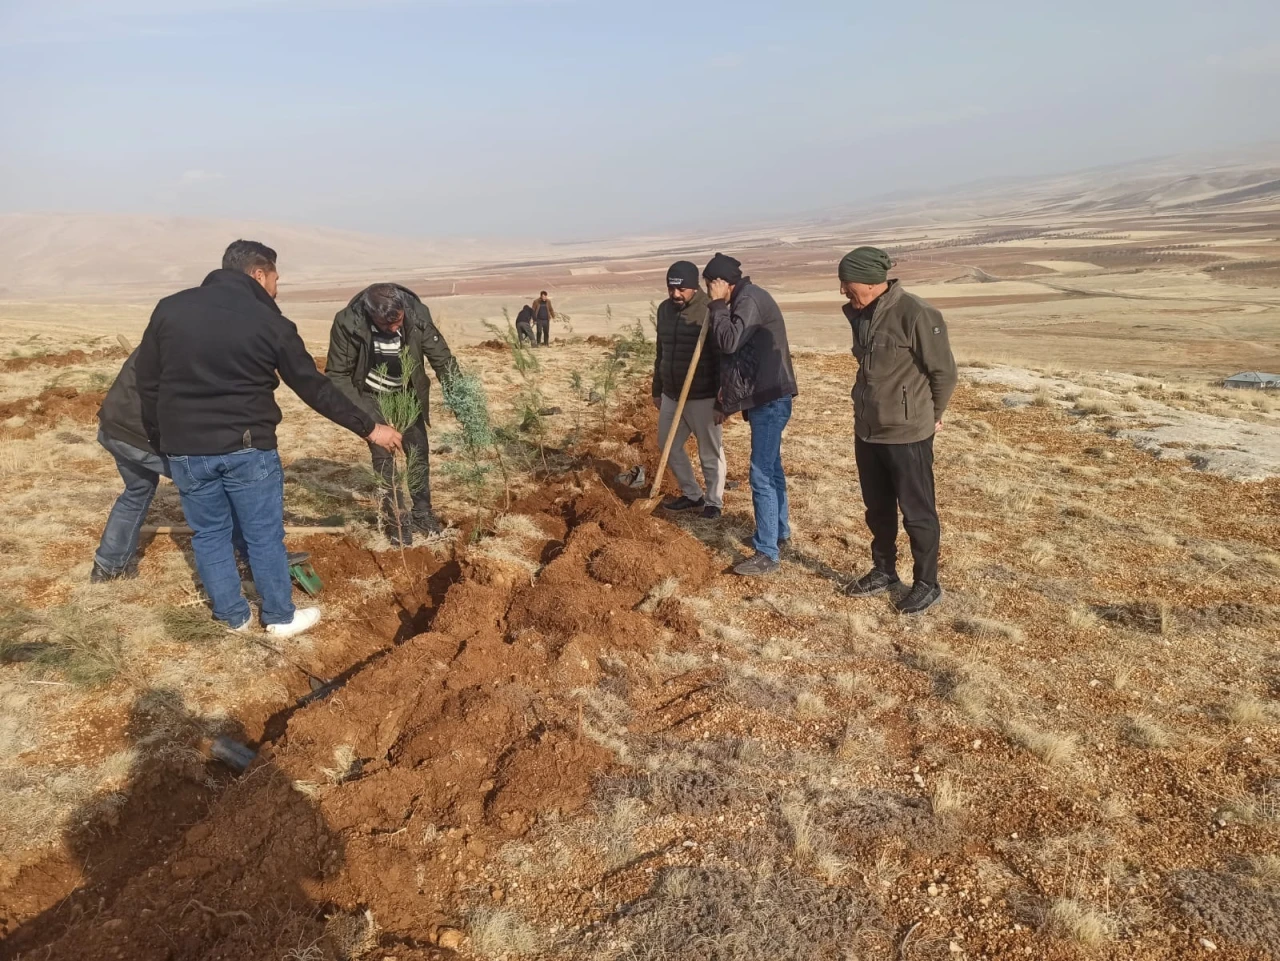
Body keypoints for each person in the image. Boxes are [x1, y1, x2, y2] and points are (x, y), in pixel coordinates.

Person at [135, 240, 402, 638]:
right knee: (263, 535)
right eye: (276, 279)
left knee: (209, 534)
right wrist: (369, 427)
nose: (277, 289)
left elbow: (148, 382)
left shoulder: (169, 309)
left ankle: (233, 618)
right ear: (259, 274)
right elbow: (312, 386)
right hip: (247, 447)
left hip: (186, 449)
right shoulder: (269, 322)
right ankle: (279, 617)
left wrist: (165, 440)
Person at [838, 246, 957, 615]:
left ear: (872, 282)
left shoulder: (917, 313)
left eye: (847, 284)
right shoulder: (861, 314)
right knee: (877, 508)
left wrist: (930, 415)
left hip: (908, 433)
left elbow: (944, 373)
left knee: (917, 512)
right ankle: (884, 570)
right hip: (868, 430)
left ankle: (927, 583)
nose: (843, 291)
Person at [325, 283, 460, 545]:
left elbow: (441, 356)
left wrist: (460, 396)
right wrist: (365, 421)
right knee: (383, 454)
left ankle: (422, 512)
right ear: (370, 314)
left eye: (398, 322)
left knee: (418, 449)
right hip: (369, 394)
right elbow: (338, 375)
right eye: (387, 326)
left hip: (405, 390)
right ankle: (396, 520)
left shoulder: (417, 313)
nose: (395, 329)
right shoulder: (347, 322)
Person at [705, 253, 798, 576]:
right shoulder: (747, 298)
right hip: (767, 396)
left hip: (770, 399)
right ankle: (778, 532)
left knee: (760, 474)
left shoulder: (749, 300)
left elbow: (729, 343)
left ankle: (767, 552)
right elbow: (740, 357)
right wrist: (726, 397)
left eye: (710, 286)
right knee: (772, 469)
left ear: (721, 283)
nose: (708, 292)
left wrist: (717, 307)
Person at [652, 261, 725, 519]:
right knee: (667, 444)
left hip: (703, 396)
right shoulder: (664, 310)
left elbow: (723, 358)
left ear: (694, 287)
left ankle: (714, 502)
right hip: (672, 393)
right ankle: (692, 495)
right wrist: (657, 389)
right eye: (671, 289)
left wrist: (721, 400)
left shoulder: (710, 309)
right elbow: (661, 352)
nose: (675, 295)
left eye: (681, 289)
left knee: (709, 451)